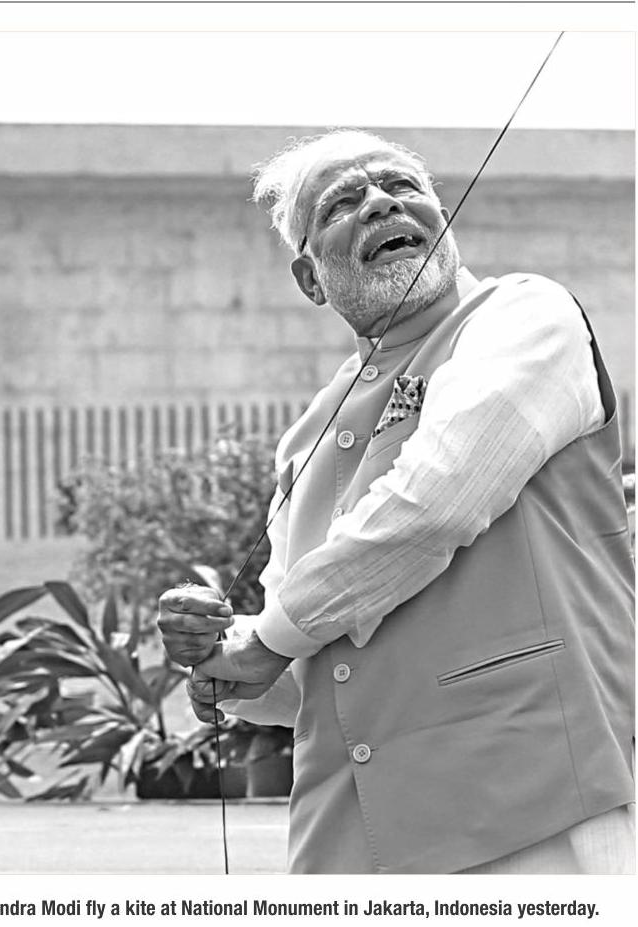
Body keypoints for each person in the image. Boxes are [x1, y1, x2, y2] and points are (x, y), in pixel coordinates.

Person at [157, 129, 634, 874]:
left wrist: (266, 640)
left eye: (402, 186)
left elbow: (438, 499)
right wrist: (225, 664)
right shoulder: (308, 434)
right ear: (310, 279)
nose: (381, 201)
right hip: (347, 839)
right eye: (342, 203)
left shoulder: (523, 313)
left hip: (532, 806)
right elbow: (312, 660)